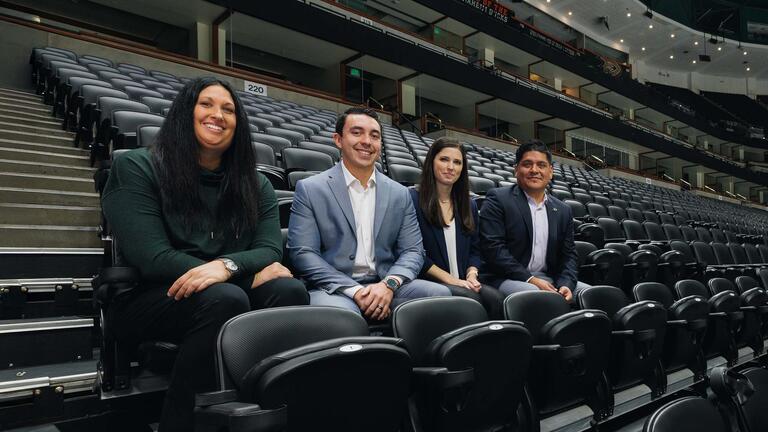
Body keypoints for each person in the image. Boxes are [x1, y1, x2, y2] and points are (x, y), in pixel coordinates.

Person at [101, 77, 309, 432]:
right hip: (152, 295)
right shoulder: (137, 166)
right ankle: (179, 421)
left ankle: (267, 408)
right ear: (185, 112)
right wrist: (239, 274)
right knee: (224, 298)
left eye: (229, 109)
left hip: (224, 292)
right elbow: (152, 257)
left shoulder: (256, 184)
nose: (219, 115)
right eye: (206, 104)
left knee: (290, 291)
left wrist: (227, 267)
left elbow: (270, 250)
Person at [287, 107, 451, 320]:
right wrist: (356, 291)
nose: (367, 141)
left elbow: (413, 251)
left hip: (387, 282)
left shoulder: (400, 194)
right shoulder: (310, 189)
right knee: (341, 317)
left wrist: (389, 284)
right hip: (334, 287)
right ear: (338, 139)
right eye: (357, 132)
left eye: (374, 136)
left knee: (442, 297)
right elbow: (303, 253)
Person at [479, 140, 589, 302]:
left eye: (541, 165)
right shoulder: (498, 199)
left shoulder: (563, 210)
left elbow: (569, 255)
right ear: (516, 169)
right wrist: (531, 279)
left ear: (550, 171)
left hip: (548, 278)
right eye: (527, 164)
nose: (534, 170)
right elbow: (493, 249)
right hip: (505, 277)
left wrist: (566, 283)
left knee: (593, 294)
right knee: (541, 298)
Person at [410, 137, 506, 318]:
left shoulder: (468, 204)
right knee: (473, 302)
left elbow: (475, 249)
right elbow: (415, 253)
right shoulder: (412, 199)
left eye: (457, 162)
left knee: (497, 300)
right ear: (431, 162)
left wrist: (471, 274)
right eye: (444, 159)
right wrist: (452, 280)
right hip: (430, 281)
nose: (451, 167)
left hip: (463, 280)